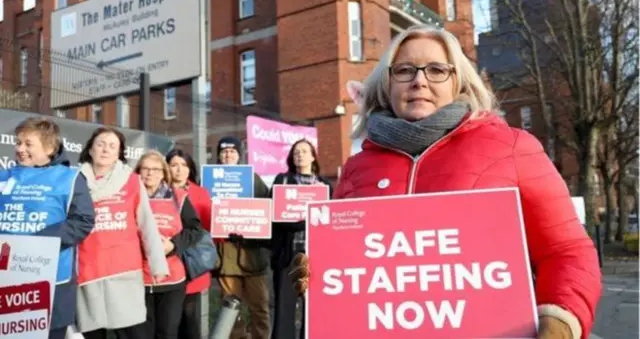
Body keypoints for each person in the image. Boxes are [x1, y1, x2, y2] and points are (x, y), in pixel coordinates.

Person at [291, 24, 603, 339]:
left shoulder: (512, 146)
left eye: (436, 69)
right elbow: (350, 268)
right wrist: (321, 276)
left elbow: (565, 250)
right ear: (387, 84)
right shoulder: (358, 167)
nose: (419, 80)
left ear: (458, 82)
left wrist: (561, 321)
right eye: (404, 70)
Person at [0, 117, 95, 339]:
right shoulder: (4, 176)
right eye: (18, 143)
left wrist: (38, 243)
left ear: (50, 148)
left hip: (51, 279)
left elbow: (83, 221)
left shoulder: (70, 178)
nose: (20, 149)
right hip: (7, 276)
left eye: (28, 144)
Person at [76, 128, 170, 339]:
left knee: (135, 334)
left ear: (119, 153)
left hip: (124, 271)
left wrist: (157, 263)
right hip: (87, 270)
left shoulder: (132, 181)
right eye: (100, 144)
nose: (105, 149)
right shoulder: (75, 181)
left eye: (112, 146)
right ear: (90, 149)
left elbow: (147, 225)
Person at [134, 150, 205, 338]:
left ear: (164, 173)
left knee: (167, 332)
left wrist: (173, 244)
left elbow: (195, 230)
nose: (150, 173)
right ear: (138, 171)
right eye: (145, 168)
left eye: (156, 169)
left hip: (171, 279)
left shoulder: (177, 197)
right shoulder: (129, 197)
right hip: (137, 278)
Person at [269, 138, 333, 339]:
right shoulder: (282, 181)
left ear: (313, 157)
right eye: (296, 152)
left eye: (305, 151)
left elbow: (328, 219)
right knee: (284, 308)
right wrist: (302, 222)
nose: (300, 155)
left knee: (313, 308)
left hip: (315, 254)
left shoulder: (324, 185)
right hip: (288, 253)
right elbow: (274, 216)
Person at [214, 136, 271, 339]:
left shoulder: (253, 179)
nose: (228, 155)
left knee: (260, 307)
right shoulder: (211, 179)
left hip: (253, 255)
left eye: (232, 151)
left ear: (239, 155)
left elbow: (267, 210)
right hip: (226, 256)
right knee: (231, 308)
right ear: (219, 156)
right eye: (224, 152)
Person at [166, 148, 213, 339]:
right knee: (168, 317)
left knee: (188, 315)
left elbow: (208, 227)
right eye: (174, 165)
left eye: (184, 165)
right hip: (167, 261)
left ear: (190, 168)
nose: (179, 169)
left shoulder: (200, 193)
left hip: (191, 261)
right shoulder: (158, 190)